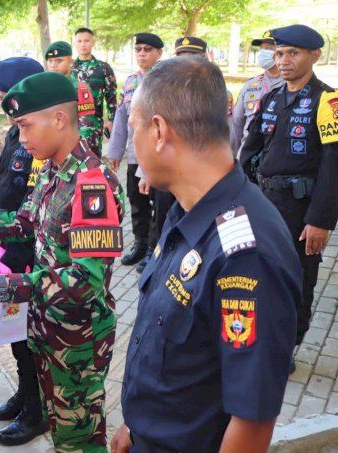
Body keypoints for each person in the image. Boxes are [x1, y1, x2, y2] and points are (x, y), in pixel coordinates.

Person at [110, 56, 300, 453]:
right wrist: (136, 424)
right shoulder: (186, 210)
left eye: (134, 129)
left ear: (159, 131)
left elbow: (252, 420)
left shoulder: (246, 255)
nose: (132, 143)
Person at [0, 71, 125, 452]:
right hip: (47, 330)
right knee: (61, 432)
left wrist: (2, 287)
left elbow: (84, 281)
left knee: (80, 441)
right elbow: (25, 221)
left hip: (76, 340)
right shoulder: (56, 167)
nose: (21, 138)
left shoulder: (91, 184)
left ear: (58, 119)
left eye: (25, 126)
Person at [240, 24, 338, 372]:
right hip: (263, 204)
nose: (283, 60)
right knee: (256, 274)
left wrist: (321, 221)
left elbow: (333, 166)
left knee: (297, 279)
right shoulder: (271, 97)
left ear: (315, 56)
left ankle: (288, 346)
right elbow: (248, 152)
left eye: (292, 53)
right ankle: (259, 339)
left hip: (300, 210)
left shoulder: (328, 101)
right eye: (279, 53)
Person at [0, 56, 47, 446]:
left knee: (29, 334)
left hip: (31, 252)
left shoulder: (42, 140)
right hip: (8, 242)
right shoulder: (16, 134)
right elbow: (4, 186)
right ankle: (24, 398)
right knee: (16, 332)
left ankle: (36, 413)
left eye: (10, 98)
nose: (6, 107)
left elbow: (32, 202)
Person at [135, 36, 211, 275]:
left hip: (200, 173)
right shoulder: (162, 94)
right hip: (167, 169)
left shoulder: (216, 95)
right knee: (162, 214)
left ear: (204, 59)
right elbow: (151, 136)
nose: (186, 63)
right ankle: (157, 255)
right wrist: (146, 172)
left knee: (197, 219)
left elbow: (228, 137)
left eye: (192, 57)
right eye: (181, 57)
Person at [106, 33, 163, 268]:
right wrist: (115, 152)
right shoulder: (130, 82)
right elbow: (120, 118)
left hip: (159, 154)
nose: (141, 53)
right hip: (135, 154)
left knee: (158, 202)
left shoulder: (166, 81)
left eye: (147, 49)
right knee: (136, 201)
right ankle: (140, 244)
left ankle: (154, 247)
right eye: (138, 49)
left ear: (159, 53)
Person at [230, 30, 284, 155]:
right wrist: (235, 156)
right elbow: (237, 123)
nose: (263, 53)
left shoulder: (292, 84)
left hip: (278, 156)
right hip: (248, 154)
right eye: (262, 49)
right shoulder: (250, 85)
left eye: (269, 48)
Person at [71, 27, 117, 156]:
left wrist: (112, 120)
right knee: (70, 164)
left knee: (93, 162)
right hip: (71, 126)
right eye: (79, 41)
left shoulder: (103, 68)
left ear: (93, 42)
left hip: (93, 126)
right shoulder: (69, 69)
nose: (83, 44)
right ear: (74, 43)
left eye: (86, 41)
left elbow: (111, 96)